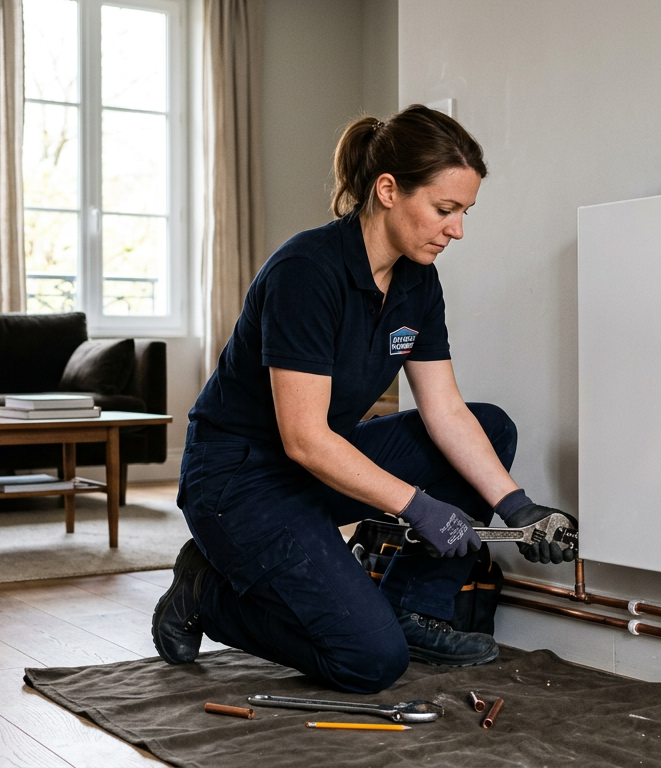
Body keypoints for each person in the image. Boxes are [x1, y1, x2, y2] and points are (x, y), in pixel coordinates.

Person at [152, 104, 577, 694]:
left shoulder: (416, 279)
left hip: (319, 463)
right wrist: (419, 508)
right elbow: (302, 437)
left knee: (490, 427)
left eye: (464, 212)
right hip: (239, 480)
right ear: (387, 190)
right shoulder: (306, 271)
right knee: (370, 662)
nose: (457, 230)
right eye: (445, 209)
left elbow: (445, 409)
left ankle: (407, 609)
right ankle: (206, 592)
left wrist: (518, 507)